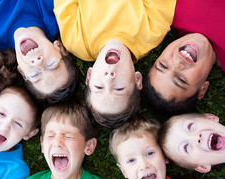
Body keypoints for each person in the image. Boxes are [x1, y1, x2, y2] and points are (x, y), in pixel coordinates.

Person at [54, 0, 176, 128]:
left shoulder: (77, 42)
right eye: (119, 88)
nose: (109, 77)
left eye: (99, 87)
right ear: (137, 80)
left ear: (89, 75)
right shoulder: (152, 33)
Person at [143, 0, 225, 115]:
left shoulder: (174, 9)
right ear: (202, 89)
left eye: (163, 65)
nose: (177, 63)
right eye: (181, 79)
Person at [0, 0, 80, 103]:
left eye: (35, 74)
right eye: (51, 64)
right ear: (60, 48)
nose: (38, 63)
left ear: (22, 72)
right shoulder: (53, 10)